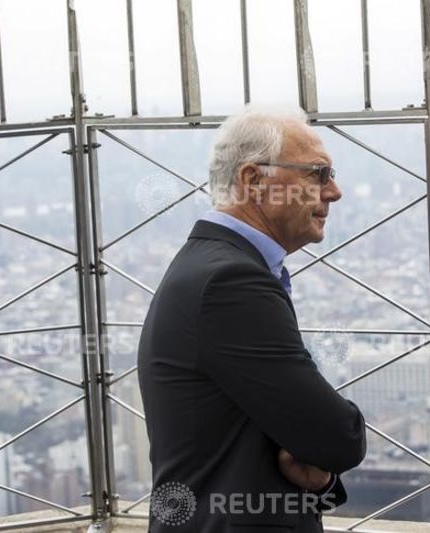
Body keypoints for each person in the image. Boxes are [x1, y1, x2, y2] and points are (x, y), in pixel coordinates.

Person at [137, 105, 367, 532]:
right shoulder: (231, 282)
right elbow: (340, 437)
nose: (333, 192)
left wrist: (317, 474)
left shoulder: (212, 266)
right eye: (318, 173)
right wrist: (327, 445)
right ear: (252, 180)